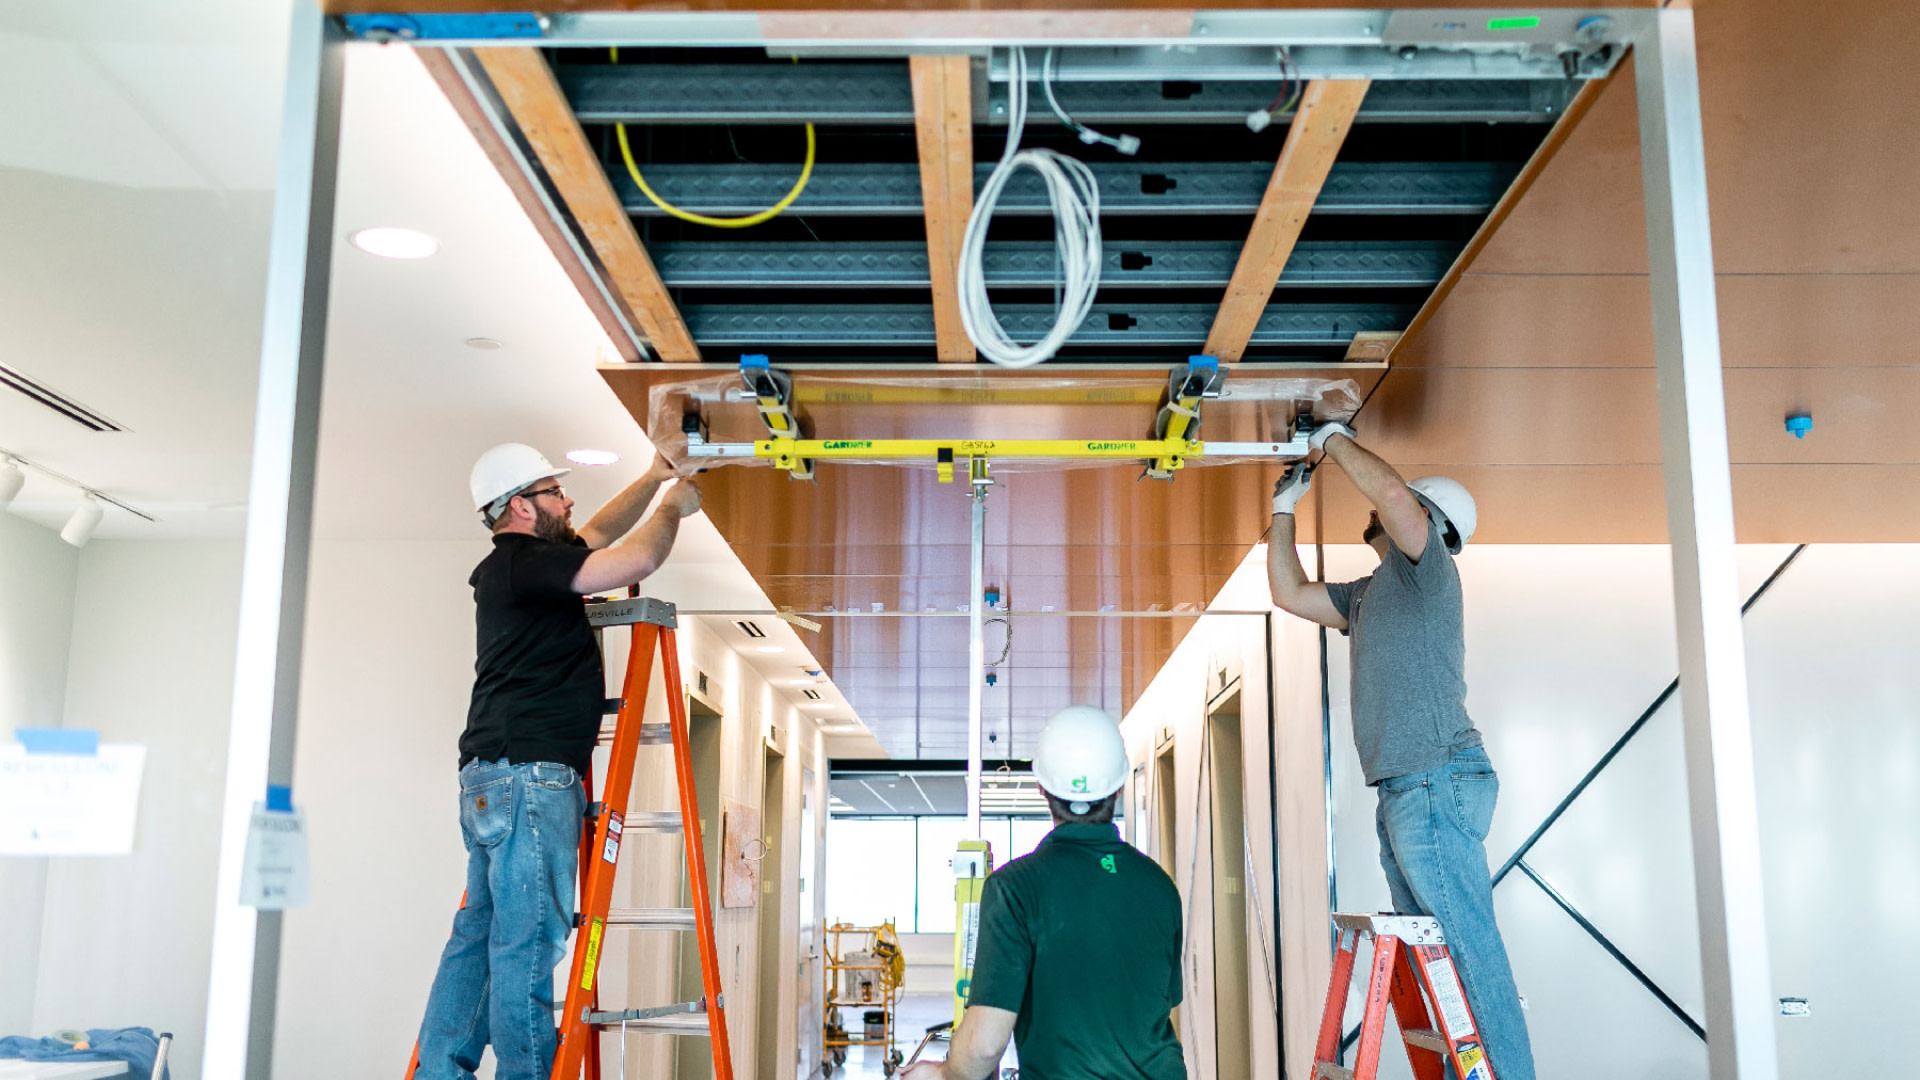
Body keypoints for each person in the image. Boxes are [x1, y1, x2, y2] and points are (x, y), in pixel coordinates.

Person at [413, 442, 702, 1080]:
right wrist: (674, 508)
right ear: (520, 506)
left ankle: (441, 1070)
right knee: (528, 946)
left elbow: (596, 532)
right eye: (554, 492)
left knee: (479, 944)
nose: (568, 501)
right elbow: (637, 556)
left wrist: (655, 476)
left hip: (495, 776)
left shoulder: (518, 565)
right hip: (532, 778)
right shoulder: (526, 565)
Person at [1266, 421, 1533, 1079]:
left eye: (1407, 506)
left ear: (1428, 520)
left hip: (1434, 783)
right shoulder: (1368, 595)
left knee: (1469, 951)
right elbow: (1289, 593)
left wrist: (1331, 438)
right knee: (1433, 957)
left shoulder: (1426, 571)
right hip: (1403, 792)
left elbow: (1387, 490)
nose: (1380, 511)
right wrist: (1282, 510)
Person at [902, 706, 1184, 1080]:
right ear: (1119, 786)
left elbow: (985, 1046)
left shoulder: (1014, 888)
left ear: (1041, 788)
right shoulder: (1160, 887)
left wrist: (939, 1074)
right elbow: (1160, 1003)